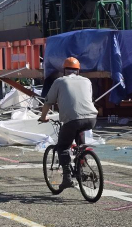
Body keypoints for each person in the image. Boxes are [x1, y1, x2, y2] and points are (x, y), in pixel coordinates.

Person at [38, 57, 98, 190]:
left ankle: (67, 178)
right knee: (79, 143)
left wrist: (43, 117)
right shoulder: (86, 81)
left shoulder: (60, 81)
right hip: (92, 118)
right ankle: (82, 161)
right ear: (78, 70)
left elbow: (48, 102)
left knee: (63, 147)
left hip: (72, 120)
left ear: (64, 70)